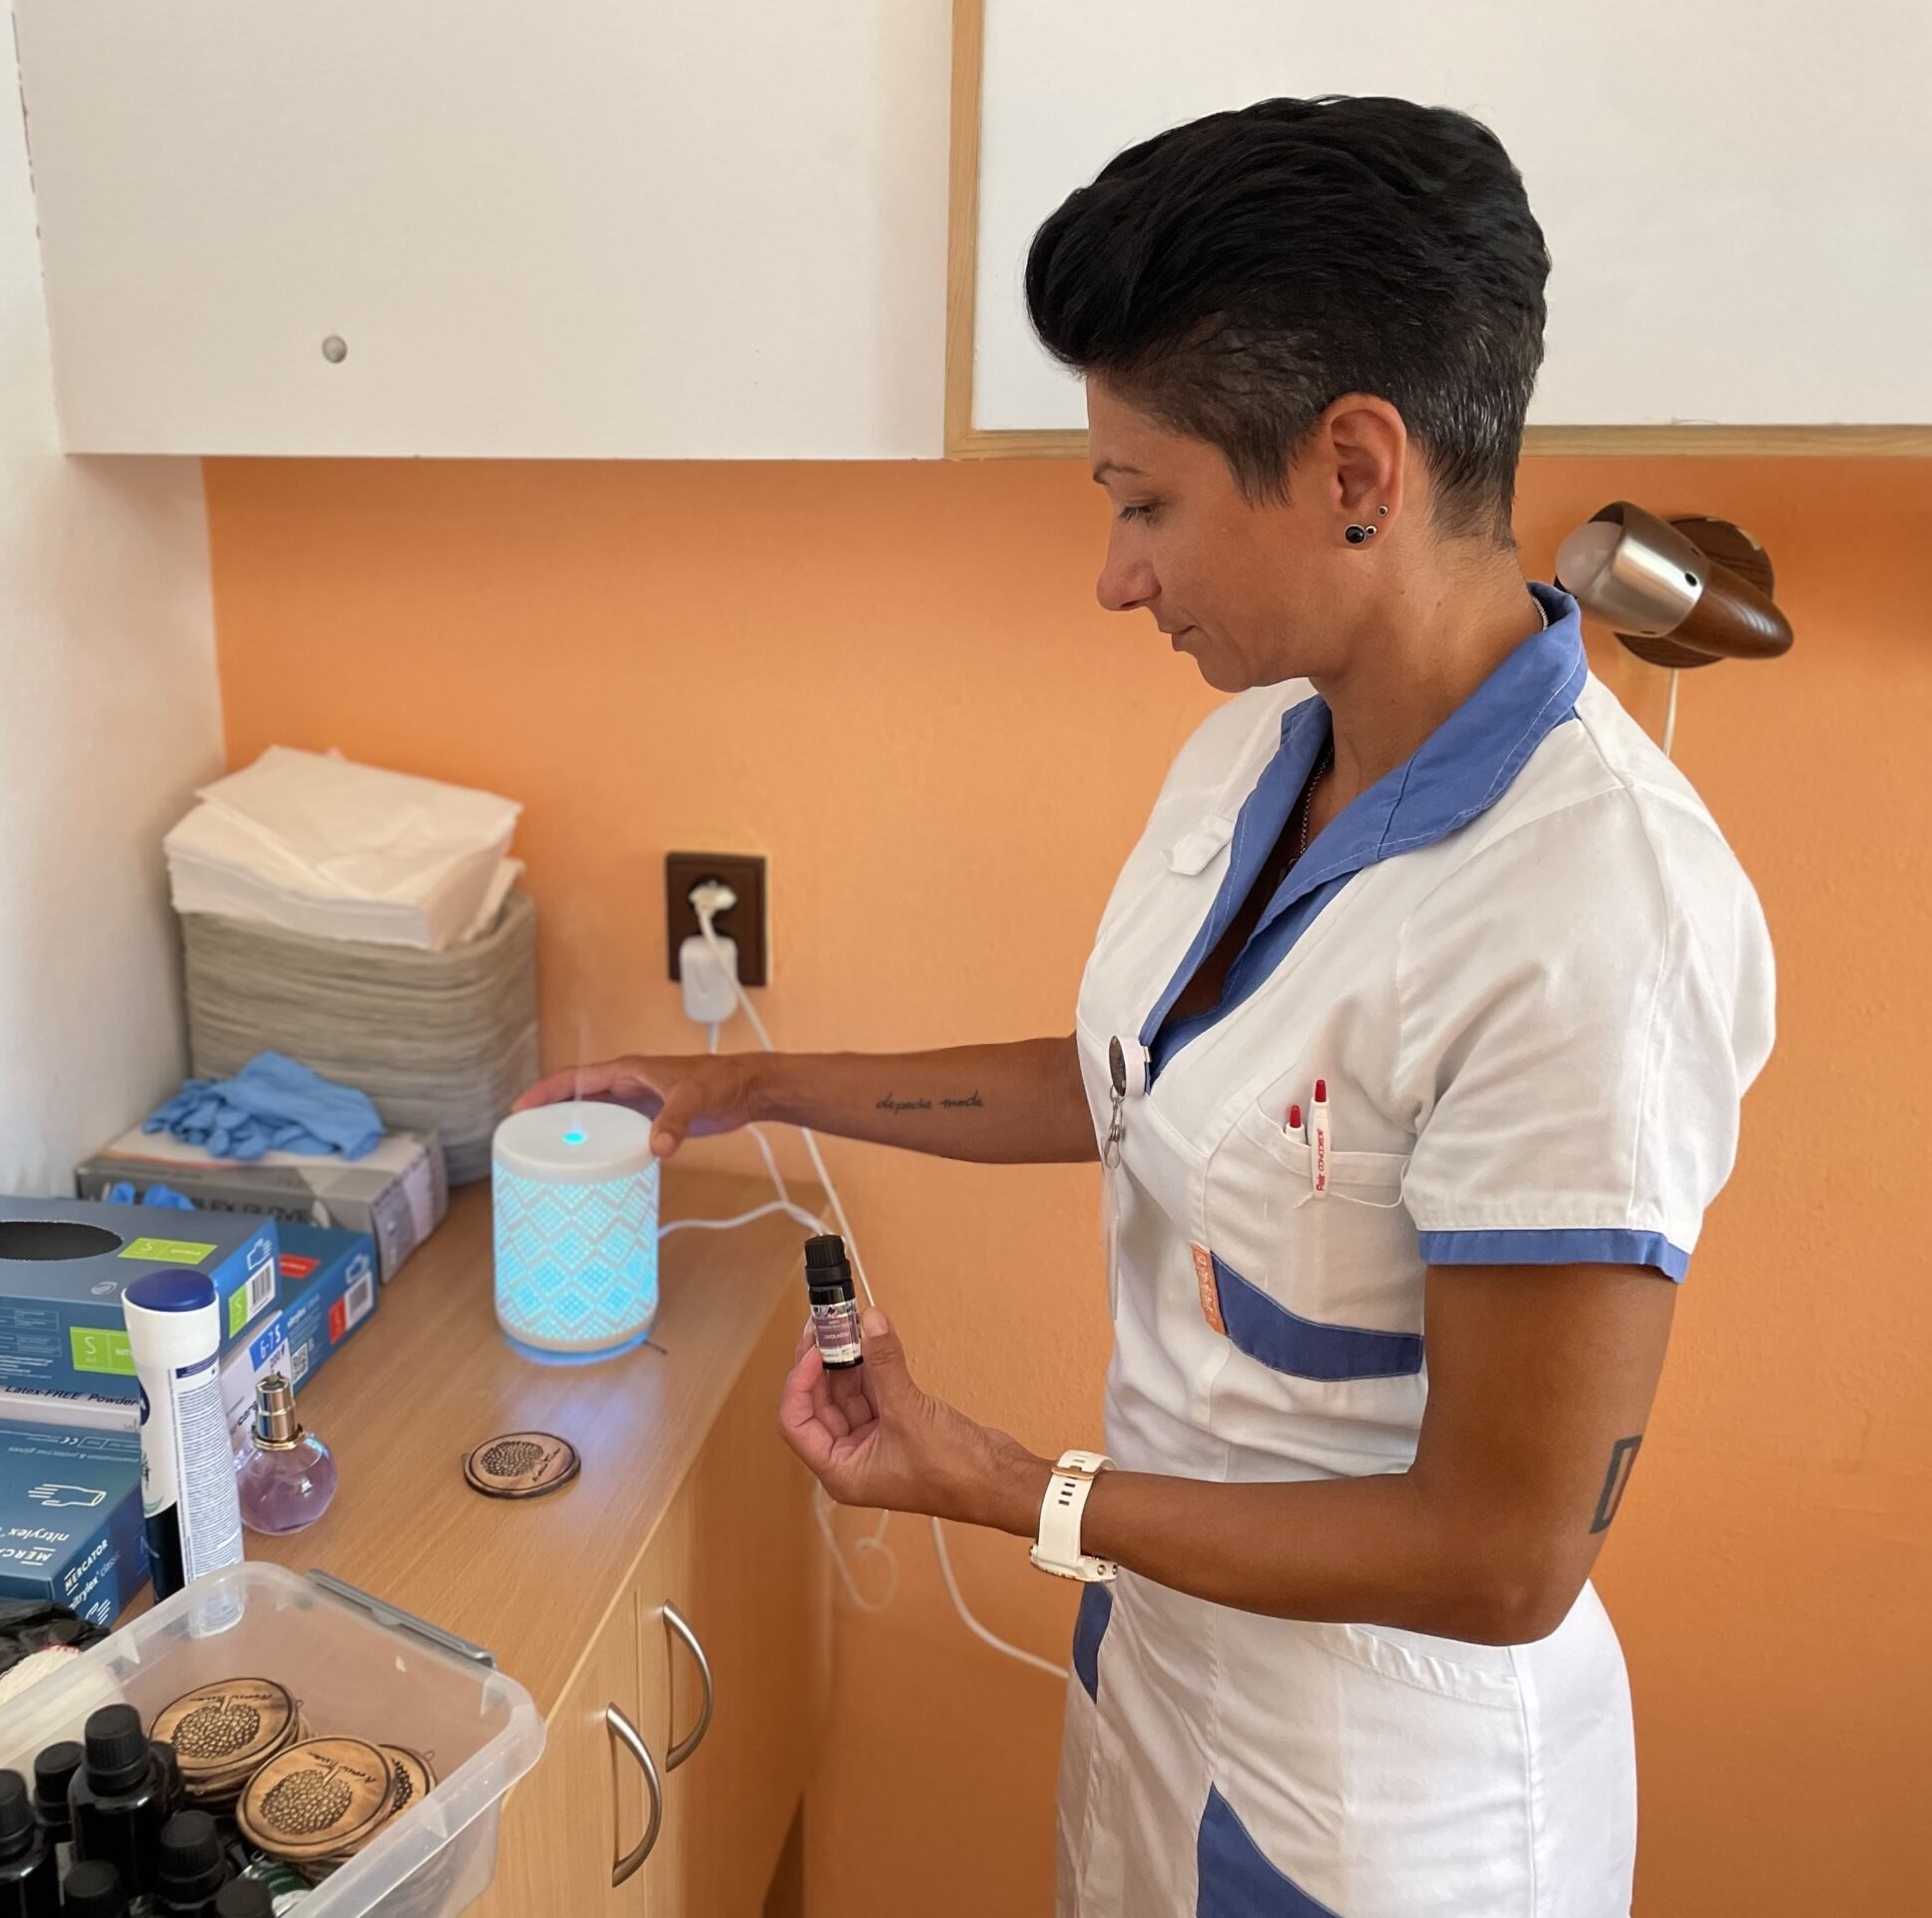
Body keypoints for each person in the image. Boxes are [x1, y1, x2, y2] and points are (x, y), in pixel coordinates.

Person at [519, 96, 1773, 1915]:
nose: (1118, 577)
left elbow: (1502, 1560)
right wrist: (746, 1086)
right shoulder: (1260, 749)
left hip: (1381, 1800)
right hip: (1164, 1665)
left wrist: (1001, 1483)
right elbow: (1131, 1089)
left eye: (1145, 502)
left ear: (1354, 468)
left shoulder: (1592, 915)